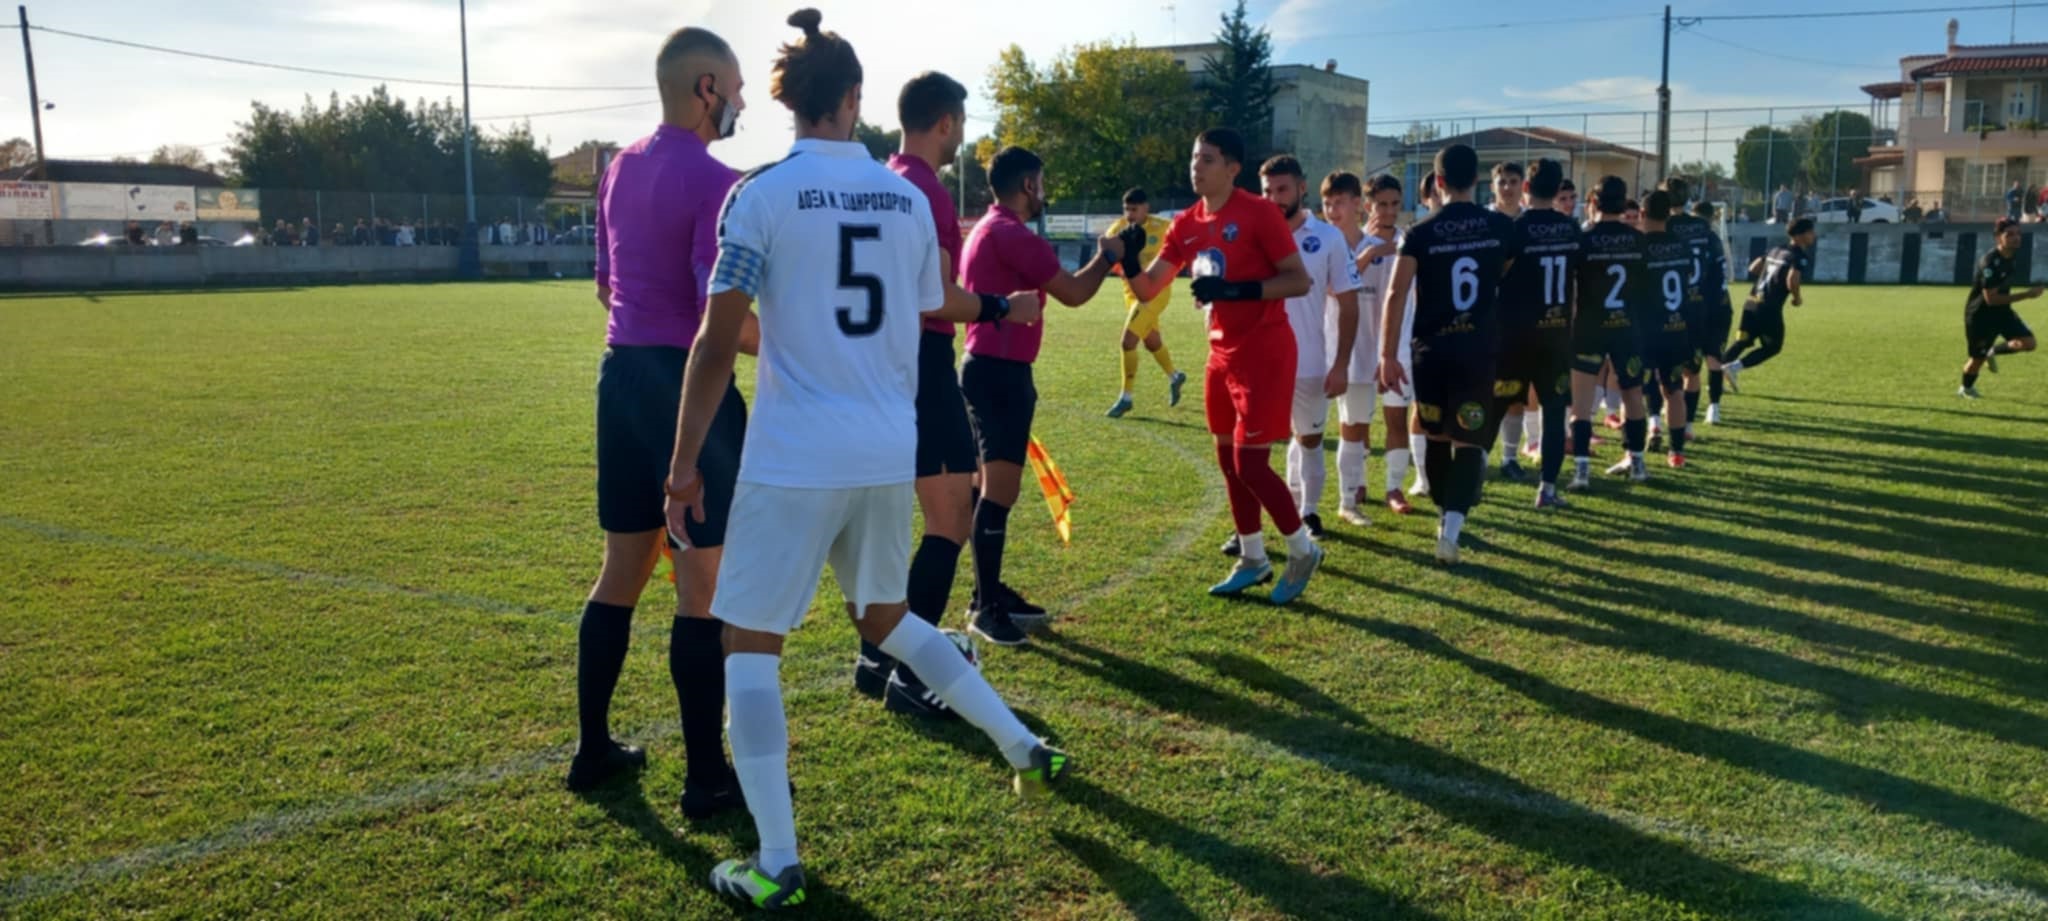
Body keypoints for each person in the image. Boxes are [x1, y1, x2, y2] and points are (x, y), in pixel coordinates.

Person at [669, 13, 1070, 907]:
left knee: (750, 642)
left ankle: (777, 862)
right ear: (854, 100)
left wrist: (683, 463)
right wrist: (999, 308)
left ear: (788, 100)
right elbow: (935, 302)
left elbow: (714, 337)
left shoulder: (762, 194)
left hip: (795, 455)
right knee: (888, 616)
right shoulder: (905, 198)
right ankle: (1021, 744)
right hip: (887, 449)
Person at [568, 24, 753, 823]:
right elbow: (725, 325)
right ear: (706, 86)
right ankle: (708, 779)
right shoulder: (719, 183)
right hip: (691, 391)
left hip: (620, 381)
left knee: (620, 571)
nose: (743, 99)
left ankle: (592, 748)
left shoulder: (618, 168)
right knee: (699, 588)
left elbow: (606, 290)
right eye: (737, 85)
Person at [865, 70, 1047, 714]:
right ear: (945, 122)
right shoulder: (927, 193)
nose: (963, 134)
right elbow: (935, 299)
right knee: (951, 518)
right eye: (962, 122)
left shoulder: (879, 181)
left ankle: (875, 657)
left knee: (895, 520)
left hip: (877, 367)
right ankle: (911, 675)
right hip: (925, 362)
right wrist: (1003, 306)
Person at [1119, 127, 1320, 601]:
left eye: (1208, 159)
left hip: (1264, 352)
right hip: (1220, 354)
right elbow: (1148, 288)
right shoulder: (1186, 223)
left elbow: (1299, 282)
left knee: (1251, 465)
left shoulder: (1259, 213)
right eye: (1194, 158)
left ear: (1233, 168)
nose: (1197, 166)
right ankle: (1253, 556)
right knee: (1228, 463)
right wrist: (1128, 260)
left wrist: (1236, 291)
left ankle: (1302, 548)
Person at [959, 146, 1121, 641]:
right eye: (1042, 183)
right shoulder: (1012, 234)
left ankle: (986, 592)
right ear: (1029, 185)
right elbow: (1073, 293)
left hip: (985, 368)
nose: (1044, 192)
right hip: (1001, 373)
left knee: (988, 487)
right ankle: (986, 608)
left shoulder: (987, 228)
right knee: (999, 490)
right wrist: (1107, 257)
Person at [1375, 144, 1519, 565]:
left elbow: (1395, 292)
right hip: (1478, 349)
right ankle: (1452, 528)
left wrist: (1387, 353)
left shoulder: (1420, 232)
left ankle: (1442, 513)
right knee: (1470, 439)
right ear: (1477, 179)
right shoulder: (1499, 227)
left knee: (1436, 436)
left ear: (1437, 182)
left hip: (1431, 352)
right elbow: (1504, 272)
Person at [1253, 154, 1359, 541]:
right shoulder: (1254, 234)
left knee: (1309, 439)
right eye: (1267, 191)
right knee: (1254, 445)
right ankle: (1253, 524)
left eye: (1282, 189)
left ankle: (1308, 513)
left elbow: (1349, 304)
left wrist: (1341, 363)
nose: (1274, 198)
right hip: (1260, 361)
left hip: (1310, 361)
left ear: (1301, 188)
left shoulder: (1328, 239)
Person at [1494, 158, 1582, 509]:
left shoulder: (1515, 229)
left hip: (1515, 335)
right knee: (1554, 410)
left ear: (1526, 189)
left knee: (1497, 404)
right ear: (1559, 189)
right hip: (1556, 334)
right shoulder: (1572, 229)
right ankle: (1546, 489)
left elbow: (1497, 275)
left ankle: (1470, 482)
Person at [1322, 171, 1408, 523]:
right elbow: (1332, 289)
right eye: (1381, 204)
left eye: (1394, 204)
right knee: (1353, 425)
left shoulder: (1405, 242)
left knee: (1390, 418)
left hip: (1391, 348)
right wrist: (1370, 253)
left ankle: (1391, 487)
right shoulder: (1344, 245)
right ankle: (1349, 497)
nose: (1388, 211)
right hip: (1354, 350)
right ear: (1368, 206)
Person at [1568, 177, 1650, 490]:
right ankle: (1637, 462)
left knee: (1582, 403)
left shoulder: (1583, 238)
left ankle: (1581, 471)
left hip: (1589, 327)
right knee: (1632, 395)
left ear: (1593, 201)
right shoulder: (1637, 240)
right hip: (1627, 327)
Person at [1104, 187, 1187, 418]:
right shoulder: (1118, 230)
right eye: (1126, 209)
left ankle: (1126, 397)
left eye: (1134, 209)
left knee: (1127, 341)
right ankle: (1175, 376)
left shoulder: (1162, 227)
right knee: (1151, 341)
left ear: (1146, 208)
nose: (1130, 214)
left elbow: (1181, 250)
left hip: (1155, 292)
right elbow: (1110, 261)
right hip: (1130, 294)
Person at [1636, 190, 1698, 469]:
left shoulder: (1639, 246)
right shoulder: (1683, 246)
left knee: (1634, 389)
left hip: (1647, 329)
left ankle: (1636, 449)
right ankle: (1676, 453)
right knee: (1673, 390)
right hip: (1677, 327)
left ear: (1642, 213)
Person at [1722, 219, 1816, 395]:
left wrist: (1769, 276)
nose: (1814, 236)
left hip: (1751, 303)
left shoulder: (1776, 249)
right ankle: (1733, 368)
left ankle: (1716, 378)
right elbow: (1792, 280)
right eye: (1811, 232)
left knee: (1741, 342)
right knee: (1773, 347)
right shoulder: (1799, 256)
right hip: (1769, 308)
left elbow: (1754, 267)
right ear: (1800, 235)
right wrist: (1797, 298)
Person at [1670, 192, 1734, 426]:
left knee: (1691, 367)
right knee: (1713, 360)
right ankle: (1713, 408)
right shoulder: (1713, 238)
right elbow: (1720, 273)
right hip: (1720, 304)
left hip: (1694, 307)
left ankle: (1682, 420)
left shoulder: (1677, 235)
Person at [1960, 218, 2041, 397]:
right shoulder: (1990, 263)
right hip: (1981, 317)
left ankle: (1993, 350)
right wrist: (2027, 294)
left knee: (2029, 343)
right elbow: (1991, 299)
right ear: (1998, 238)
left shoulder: (2010, 257)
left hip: (2002, 313)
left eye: (2018, 234)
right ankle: (1965, 389)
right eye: (2009, 234)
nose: (2016, 238)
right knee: (1976, 361)